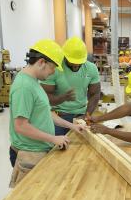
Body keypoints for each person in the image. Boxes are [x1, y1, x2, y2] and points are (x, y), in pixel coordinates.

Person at [9, 39, 85, 187]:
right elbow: (20, 126)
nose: (53, 72)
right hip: (28, 154)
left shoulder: (33, 82)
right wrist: (53, 138)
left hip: (38, 150)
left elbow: (46, 113)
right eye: (53, 68)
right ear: (42, 62)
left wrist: (72, 126)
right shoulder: (24, 86)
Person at [41, 37, 101, 135]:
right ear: (64, 56)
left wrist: (87, 114)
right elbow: (45, 95)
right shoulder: (54, 68)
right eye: (72, 63)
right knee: (55, 147)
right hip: (58, 116)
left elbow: (95, 94)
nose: (76, 66)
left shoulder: (91, 68)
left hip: (81, 115)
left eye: (79, 63)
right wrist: (62, 98)